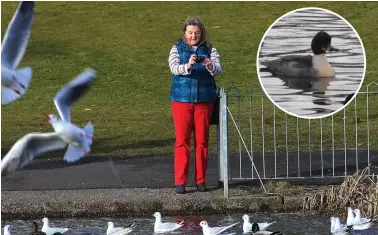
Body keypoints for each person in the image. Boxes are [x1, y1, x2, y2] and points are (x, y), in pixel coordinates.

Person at [168, 16, 222, 194]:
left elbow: (218, 70)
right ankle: (180, 182)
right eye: (190, 33)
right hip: (181, 101)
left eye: (196, 33)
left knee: (202, 142)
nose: (193, 36)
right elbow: (174, 68)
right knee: (182, 142)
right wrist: (188, 65)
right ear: (184, 32)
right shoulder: (176, 48)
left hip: (204, 102)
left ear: (201, 33)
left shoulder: (211, 49)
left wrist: (209, 64)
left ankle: (201, 181)